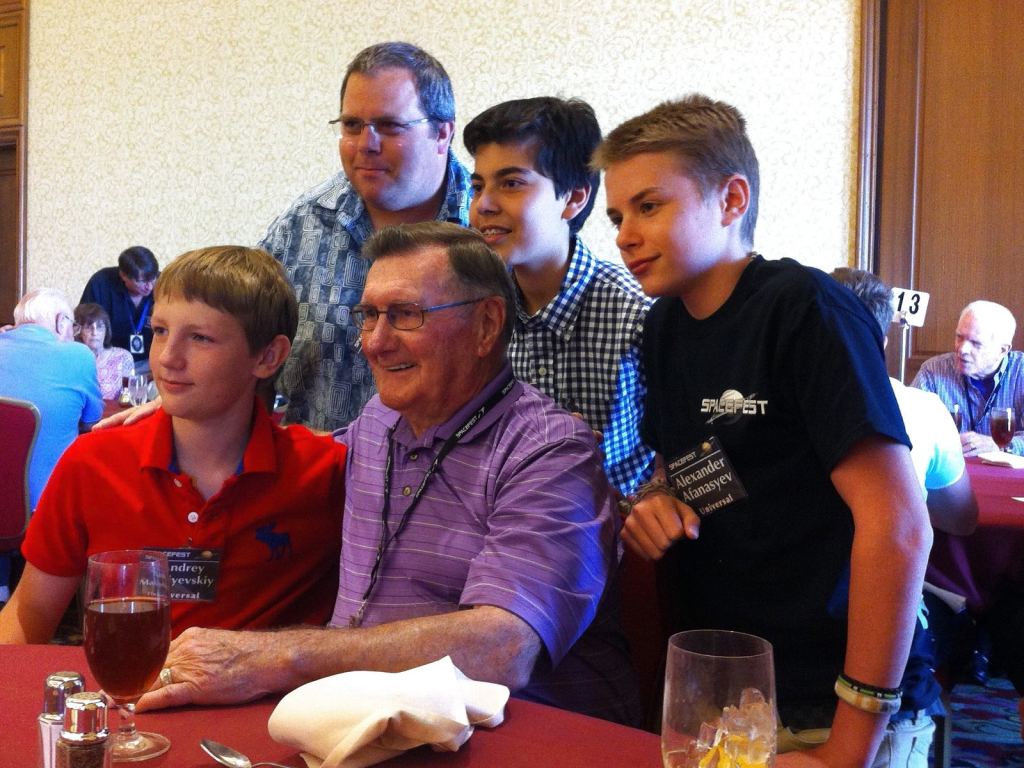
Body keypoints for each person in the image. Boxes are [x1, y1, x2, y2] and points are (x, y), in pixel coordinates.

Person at [135, 223, 639, 727]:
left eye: (405, 315)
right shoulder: (378, 422)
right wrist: (196, 405)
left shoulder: (549, 451)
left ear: (487, 325)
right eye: (369, 316)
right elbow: (287, 451)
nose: (375, 343)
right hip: (363, 727)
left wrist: (274, 657)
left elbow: (503, 648)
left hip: (522, 736)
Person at [594, 95, 932, 766]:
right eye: (617, 216)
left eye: (648, 206)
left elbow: (899, 525)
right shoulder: (662, 326)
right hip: (728, 691)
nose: (625, 235)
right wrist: (658, 501)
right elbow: (690, 465)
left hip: (835, 701)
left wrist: (849, 747)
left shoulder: (805, 308)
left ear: (731, 200)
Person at [0, 247, 345, 643]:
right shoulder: (92, 463)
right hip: (126, 679)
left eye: (200, 338)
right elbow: (29, 619)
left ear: (269, 356)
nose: (167, 358)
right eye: (160, 331)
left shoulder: (328, 474)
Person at [260, 41, 471, 432]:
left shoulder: (491, 231)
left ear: (442, 133)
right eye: (352, 126)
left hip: (459, 471)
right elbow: (245, 349)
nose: (365, 145)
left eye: (389, 126)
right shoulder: (300, 227)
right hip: (321, 466)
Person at [464, 97, 653, 495]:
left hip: (614, 525)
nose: (484, 205)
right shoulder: (475, 315)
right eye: (477, 186)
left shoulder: (637, 315)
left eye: (511, 183)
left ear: (574, 198)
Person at [831, 269, 978, 536]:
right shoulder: (926, 410)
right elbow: (960, 521)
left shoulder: (760, 400)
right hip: (886, 558)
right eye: (960, 337)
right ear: (882, 343)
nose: (964, 349)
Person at [0, 288, 102, 603]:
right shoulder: (78, 356)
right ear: (60, 322)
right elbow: (92, 418)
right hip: (43, 509)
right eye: (72, 324)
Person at [912, 300, 1024, 456]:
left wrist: (1002, 446)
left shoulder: (1021, 372)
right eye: (959, 337)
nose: (962, 349)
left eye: (976, 343)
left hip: (1008, 470)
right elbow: (910, 430)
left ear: (1002, 350)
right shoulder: (932, 372)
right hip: (950, 468)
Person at [80, 246, 159, 372]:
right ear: (123, 275)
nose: (150, 287)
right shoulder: (101, 283)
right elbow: (85, 325)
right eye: (142, 281)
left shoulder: (163, 285)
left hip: (152, 362)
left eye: (153, 278)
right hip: (110, 362)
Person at [74, 303, 136, 400]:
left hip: (115, 409)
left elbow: (130, 397)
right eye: (88, 327)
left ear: (106, 330)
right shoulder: (72, 359)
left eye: (99, 327)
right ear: (79, 331)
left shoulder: (123, 357)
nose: (95, 333)